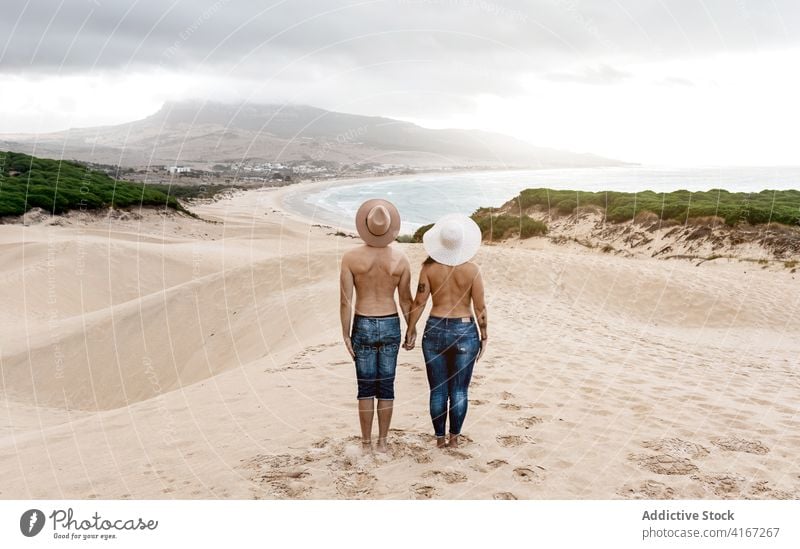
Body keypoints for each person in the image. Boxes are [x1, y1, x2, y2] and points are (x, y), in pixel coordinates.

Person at [404, 213, 487, 449]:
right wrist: (484, 334)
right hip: (464, 329)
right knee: (459, 390)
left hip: (436, 327)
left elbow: (419, 302)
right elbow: (480, 307)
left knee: (438, 390)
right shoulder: (472, 270)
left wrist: (411, 329)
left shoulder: (429, 269)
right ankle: (454, 439)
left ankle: (439, 439)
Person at [340, 199, 413, 453]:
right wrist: (411, 327)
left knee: (365, 388)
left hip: (363, 323)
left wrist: (345, 334)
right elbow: (406, 300)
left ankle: (366, 443)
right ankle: (383, 442)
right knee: (386, 386)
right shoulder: (401, 259)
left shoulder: (351, 258)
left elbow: (346, 301)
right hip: (391, 322)